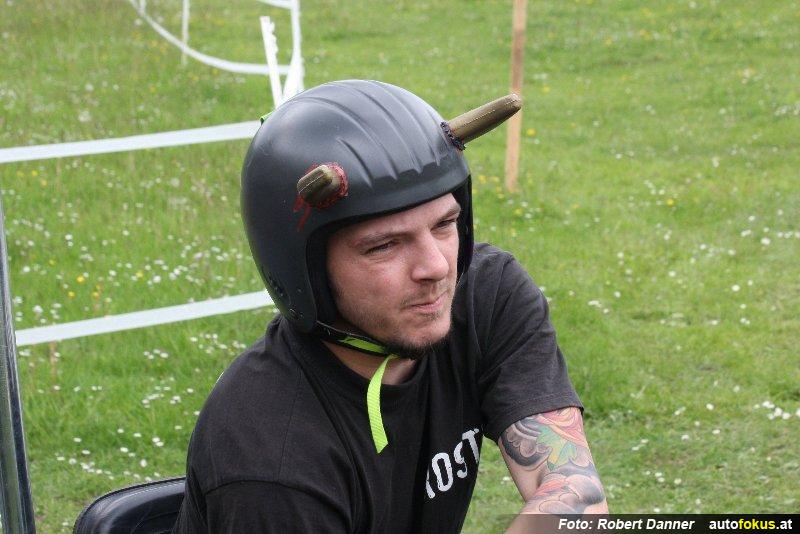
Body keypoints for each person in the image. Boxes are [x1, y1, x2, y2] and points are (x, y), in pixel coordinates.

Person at [173, 80, 608, 533]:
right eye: (384, 246)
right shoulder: (273, 462)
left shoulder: (484, 295)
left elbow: (574, 495)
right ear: (306, 270)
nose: (436, 267)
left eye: (444, 224)